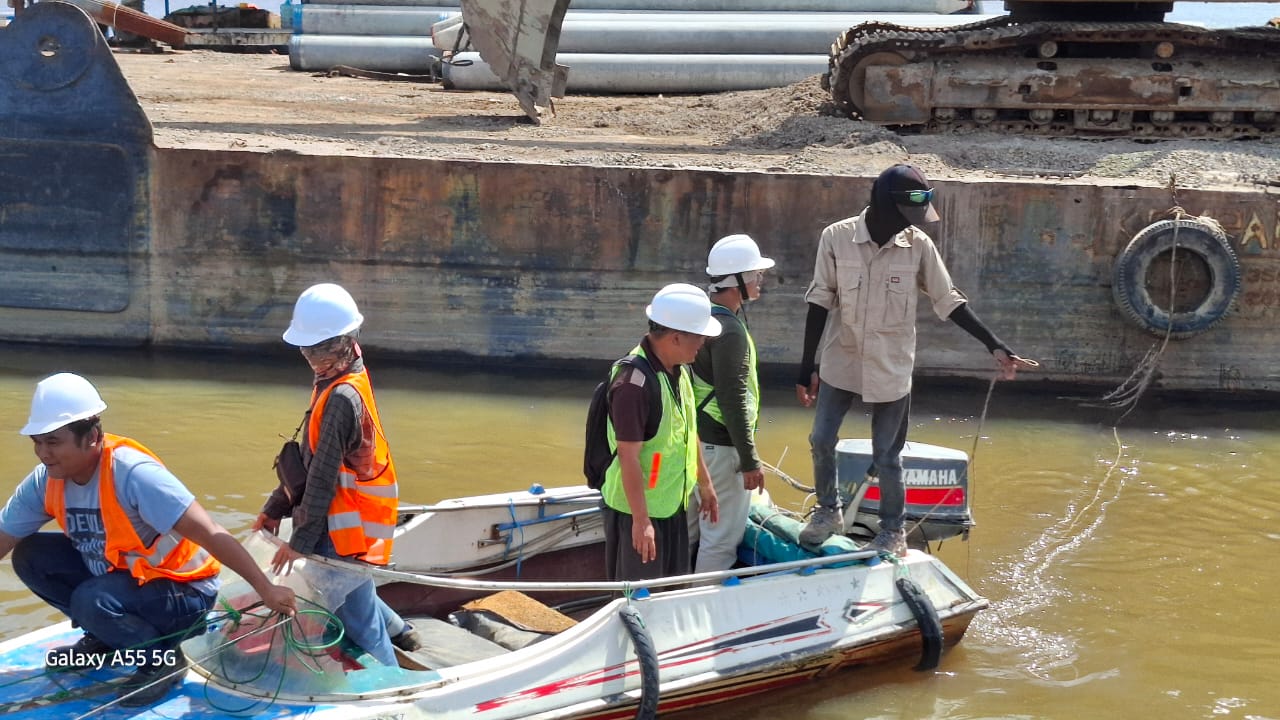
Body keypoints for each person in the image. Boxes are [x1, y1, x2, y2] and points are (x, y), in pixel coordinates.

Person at [0, 372, 298, 708]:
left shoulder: (134, 474)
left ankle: (161, 664)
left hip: (183, 593)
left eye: (53, 442)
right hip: (121, 583)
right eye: (37, 442)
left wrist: (265, 589)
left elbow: (212, 532)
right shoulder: (46, 480)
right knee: (29, 554)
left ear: (93, 437)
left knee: (91, 599)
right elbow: (4, 537)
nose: (43, 453)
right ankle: (105, 637)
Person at [795, 164, 1032, 555]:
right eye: (907, 215)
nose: (911, 225)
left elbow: (948, 300)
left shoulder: (919, 246)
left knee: (887, 456)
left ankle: (893, 531)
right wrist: (807, 368)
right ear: (885, 207)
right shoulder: (835, 238)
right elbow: (819, 301)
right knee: (821, 438)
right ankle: (828, 510)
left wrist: (994, 344)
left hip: (891, 367)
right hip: (843, 360)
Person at [252, 283, 417, 667]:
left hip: (349, 525)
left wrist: (300, 543)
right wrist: (275, 507)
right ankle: (401, 631)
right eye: (306, 350)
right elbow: (307, 461)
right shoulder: (339, 373)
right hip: (347, 519)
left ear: (345, 342)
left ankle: (392, 687)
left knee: (354, 615)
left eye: (319, 349)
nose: (311, 358)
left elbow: (322, 478)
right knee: (356, 590)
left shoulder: (343, 396)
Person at [601, 283, 721, 581]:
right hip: (638, 512)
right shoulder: (633, 385)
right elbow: (629, 458)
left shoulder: (678, 370)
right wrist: (641, 523)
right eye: (699, 335)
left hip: (671, 507)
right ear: (676, 337)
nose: (703, 342)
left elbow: (687, 431)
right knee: (639, 600)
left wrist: (705, 484)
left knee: (670, 591)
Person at [687, 235, 774, 572]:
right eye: (755, 274)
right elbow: (733, 398)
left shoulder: (701, 319)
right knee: (721, 539)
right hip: (722, 450)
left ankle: (673, 597)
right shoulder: (730, 330)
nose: (760, 280)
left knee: (693, 530)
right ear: (737, 281)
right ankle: (698, 615)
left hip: (697, 443)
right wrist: (750, 460)